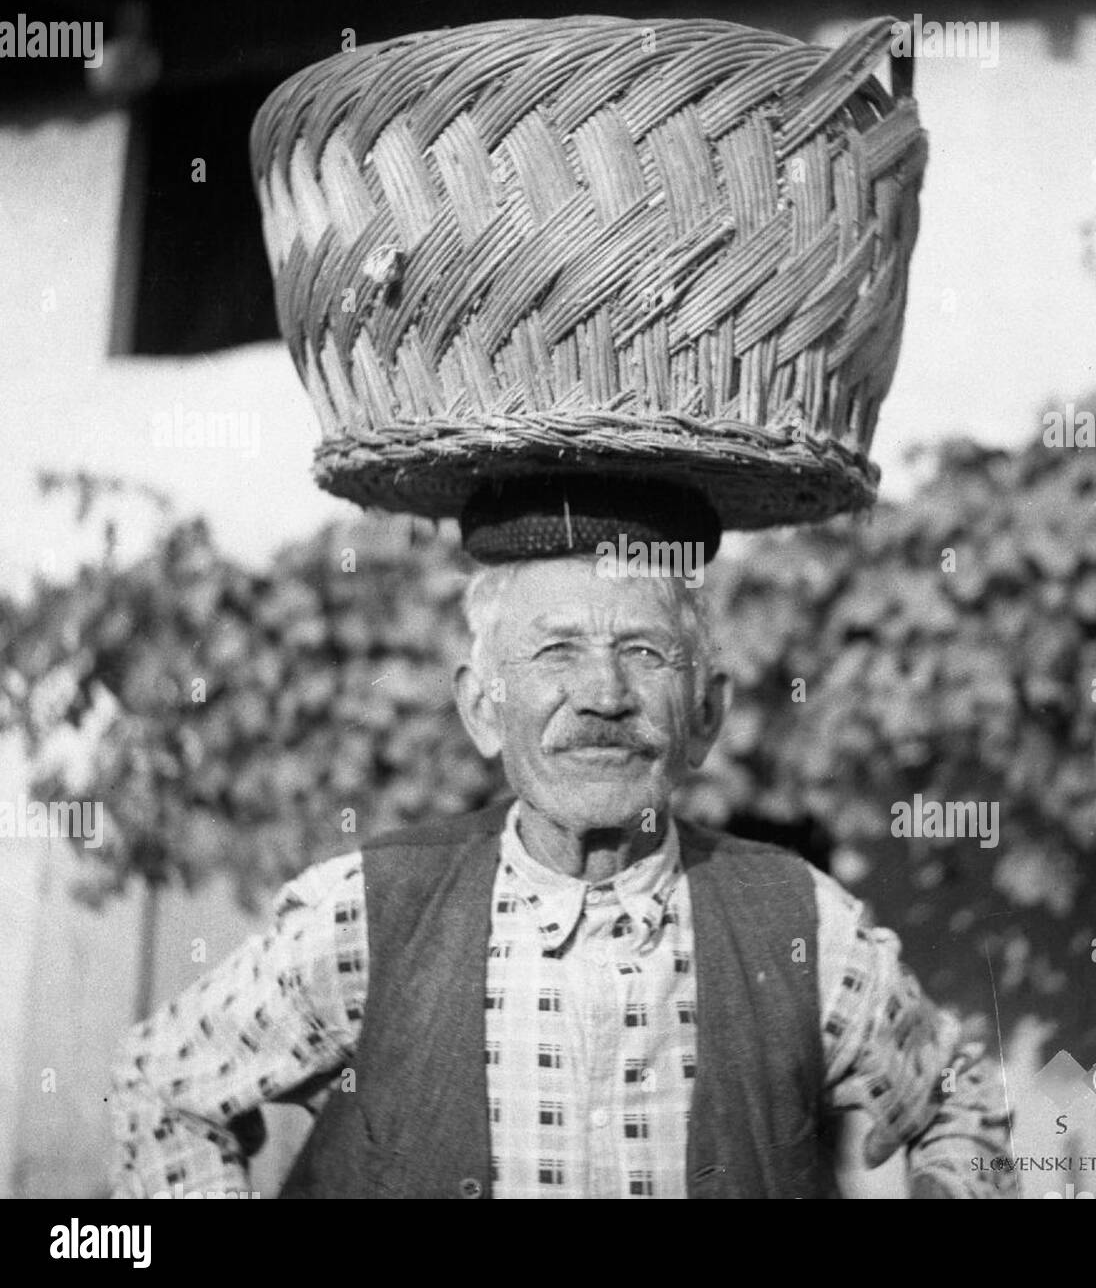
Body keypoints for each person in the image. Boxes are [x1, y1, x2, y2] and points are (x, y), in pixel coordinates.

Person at [109, 487, 1013, 1199]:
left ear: (705, 716)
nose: (604, 696)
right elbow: (161, 1088)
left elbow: (961, 1101)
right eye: (555, 654)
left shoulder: (803, 927)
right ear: (480, 706)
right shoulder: (367, 917)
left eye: (646, 653)